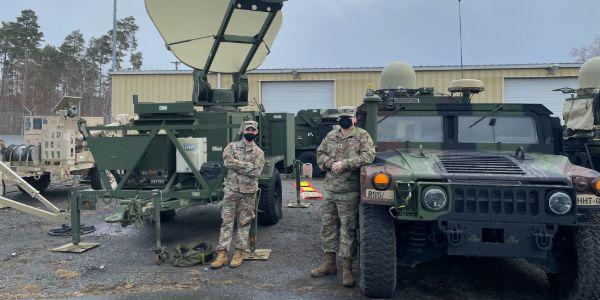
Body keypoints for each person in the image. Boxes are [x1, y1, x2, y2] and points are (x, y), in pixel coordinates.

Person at [311, 106, 375, 287]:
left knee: (348, 230)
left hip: (350, 192)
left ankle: (347, 269)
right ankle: (329, 264)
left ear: (355, 119)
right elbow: (320, 154)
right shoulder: (331, 136)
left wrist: (345, 163)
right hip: (330, 190)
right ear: (338, 119)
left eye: (348, 116)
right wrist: (331, 164)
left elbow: (369, 155)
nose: (345, 119)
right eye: (342, 117)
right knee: (328, 228)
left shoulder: (362, 136)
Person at [211, 120, 265, 269]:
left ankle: (239, 253)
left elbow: (257, 172)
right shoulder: (231, 147)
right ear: (243, 130)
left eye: (253, 130)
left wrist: (238, 165)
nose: (250, 132)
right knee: (226, 222)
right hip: (231, 191)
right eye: (248, 129)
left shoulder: (259, 152)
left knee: (244, 223)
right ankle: (222, 254)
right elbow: (228, 163)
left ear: (256, 132)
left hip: (248, 193)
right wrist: (248, 166)